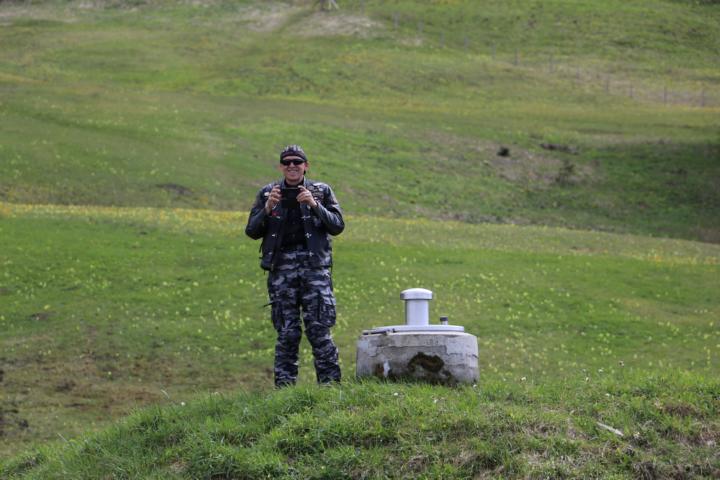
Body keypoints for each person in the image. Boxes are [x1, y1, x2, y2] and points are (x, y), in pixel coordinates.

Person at [245, 145, 344, 387]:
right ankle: (285, 391)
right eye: (287, 162)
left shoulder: (321, 191)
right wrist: (267, 209)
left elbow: (337, 226)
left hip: (315, 270)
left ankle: (330, 389)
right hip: (281, 271)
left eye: (297, 162)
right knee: (287, 333)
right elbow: (251, 231)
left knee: (319, 330)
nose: (292, 166)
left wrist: (314, 205)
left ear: (305, 166)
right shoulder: (268, 193)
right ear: (281, 166)